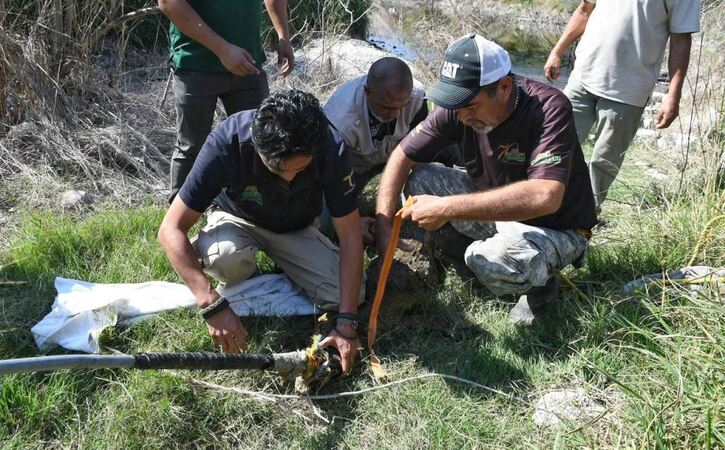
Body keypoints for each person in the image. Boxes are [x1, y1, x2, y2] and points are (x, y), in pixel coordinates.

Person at [375, 34, 597, 326]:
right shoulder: (459, 109)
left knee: (491, 260)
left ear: (503, 87)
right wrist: (383, 223)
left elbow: (546, 195)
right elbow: (402, 155)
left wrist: (446, 208)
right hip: (494, 209)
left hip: (555, 227)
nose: (462, 116)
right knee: (422, 179)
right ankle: (466, 263)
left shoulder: (548, 109)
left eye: (471, 106)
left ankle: (540, 284)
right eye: (457, 105)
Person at [158, 90, 364, 373]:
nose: (288, 177)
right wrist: (209, 303)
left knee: (349, 293)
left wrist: (346, 323)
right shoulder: (228, 140)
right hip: (236, 217)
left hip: (297, 227)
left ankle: (282, 265)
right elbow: (170, 227)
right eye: (276, 168)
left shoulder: (330, 146)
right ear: (256, 146)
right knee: (226, 259)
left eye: (299, 169)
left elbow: (350, 234)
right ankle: (232, 258)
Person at [544, 0, 700, 208]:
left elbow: (680, 40)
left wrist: (673, 95)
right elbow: (584, 11)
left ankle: (584, 215)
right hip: (583, 76)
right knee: (555, 145)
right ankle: (541, 201)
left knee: (604, 161)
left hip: (629, 90)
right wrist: (557, 50)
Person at [159, 0, 295, 199]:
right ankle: (177, 222)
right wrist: (223, 50)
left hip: (248, 63)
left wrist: (283, 37)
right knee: (192, 146)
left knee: (259, 142)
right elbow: (169, 4)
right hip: (195, 63)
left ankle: (254, 210)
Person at [324, 57, 460, 242]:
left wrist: (419, 186)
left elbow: (419, 151)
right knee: (326, 219)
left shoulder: (415, 97)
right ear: (367, 91)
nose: (396, 114)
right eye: (387, 108)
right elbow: (334, 181)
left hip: (396, 157)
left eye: (402, 106)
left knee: (450, 146)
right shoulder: (340, 120)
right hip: (353, 171)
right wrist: (352, 221)